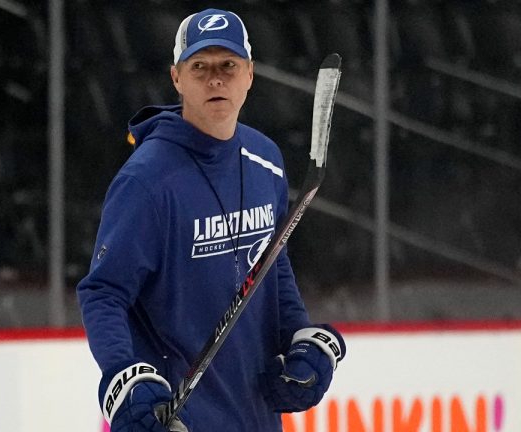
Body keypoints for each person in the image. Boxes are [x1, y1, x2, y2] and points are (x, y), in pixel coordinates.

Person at [77, 8, 346, 432]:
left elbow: (272, 266)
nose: (215, 79)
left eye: (228, 66)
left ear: (250, 75)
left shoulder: (266, 161)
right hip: (183, 421)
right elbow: (104, 292)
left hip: (257, 418)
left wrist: (299, 341)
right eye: (199, 66)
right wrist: (125, 379)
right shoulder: (147, 181)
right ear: (177, 78)